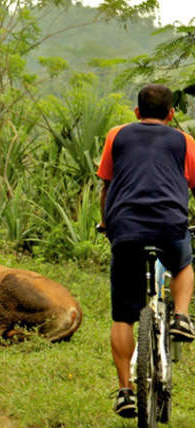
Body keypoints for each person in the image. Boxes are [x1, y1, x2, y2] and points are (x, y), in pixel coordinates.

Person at [97, 83, 195, 419]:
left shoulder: (117, 135)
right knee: (183, 265)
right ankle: (181, 317)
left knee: (123, 315)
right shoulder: (185, 141)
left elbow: (106, 187)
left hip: (125, 228)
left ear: (136, 112)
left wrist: (107, 225)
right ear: (171, 114)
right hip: (170, 225)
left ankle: (125, 390)